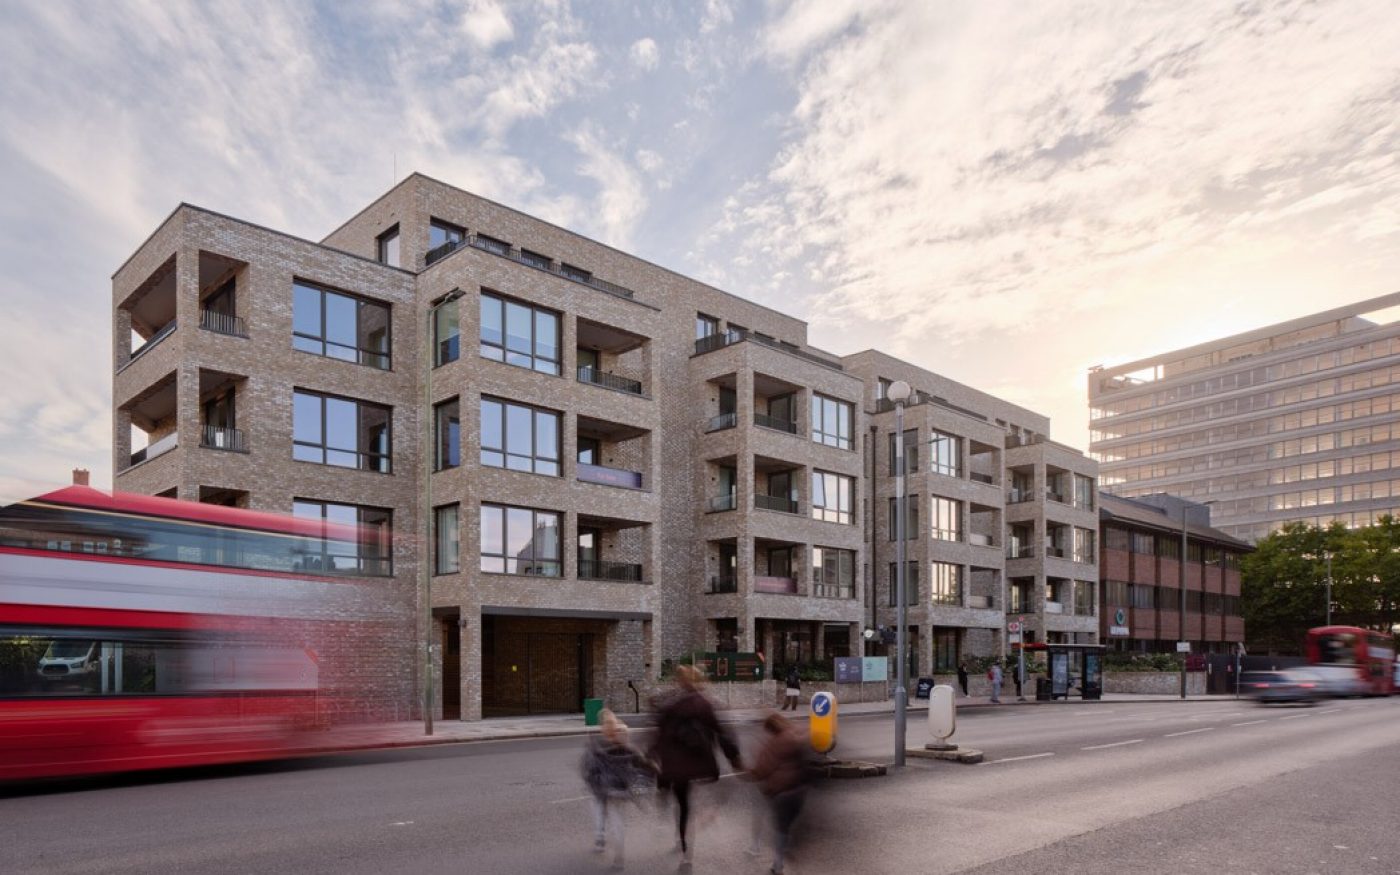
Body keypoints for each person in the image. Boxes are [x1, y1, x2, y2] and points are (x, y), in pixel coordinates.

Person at [649, 665, 743, 870]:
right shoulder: (703, 704)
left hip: (673, 765)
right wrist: (734, 757)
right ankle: (687, 850)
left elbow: (658, 732)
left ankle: (682, 845)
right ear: (699, 681)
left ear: (679, 681)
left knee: (682, 805)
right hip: (696, 762)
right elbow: (721, 732)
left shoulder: (670, 703)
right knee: (687, 806)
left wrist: (652, 755)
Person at [581, 709, 655, 870]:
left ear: (602, 728)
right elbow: (643, 764)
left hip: (602, 789)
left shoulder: (596, 745)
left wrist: (592, 781)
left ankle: (600, 838)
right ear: (615, 727)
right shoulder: (625, 745)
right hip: (619, 790)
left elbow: (588, 769)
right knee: (617, 823)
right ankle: (618, 857)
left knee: (599, 810)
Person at [748, 712, 812, 875]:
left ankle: (778, 864)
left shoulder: (772, 745)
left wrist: (748, 772)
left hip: (781, 793)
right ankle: (788, 847)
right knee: (788, 826)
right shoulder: (796, 734)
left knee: (780, 829)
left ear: (770, 729)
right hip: (799, 791)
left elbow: (761, 771)